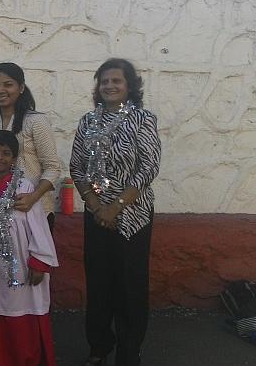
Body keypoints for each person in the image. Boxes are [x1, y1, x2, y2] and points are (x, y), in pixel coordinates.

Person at [69, 58, 161, 366]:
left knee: (129, 287)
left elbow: (149, 167)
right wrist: (97, 206)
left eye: (116, 81)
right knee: (98, 284)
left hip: (132, 216)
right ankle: (99, 347)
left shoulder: (142, 119)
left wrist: (116, 207)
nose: (109, 86)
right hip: (96, 215)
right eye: (104, 81)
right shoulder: (88, 121)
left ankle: (129, 351)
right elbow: (77, 167)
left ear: (130, 86)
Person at [0, 130, 58, 366]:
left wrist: (39, 261)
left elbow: (38, 225)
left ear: (14, 159)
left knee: (24, 314)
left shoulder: (25, 186)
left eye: (6, 153)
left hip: (23, 264)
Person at [0, 63, 62, 229]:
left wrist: (33, 197)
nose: (0, 90)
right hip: (0, 211)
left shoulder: (36, 121)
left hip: (36, 208)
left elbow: (53, 168)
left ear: (21, 88)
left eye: (8, 85)